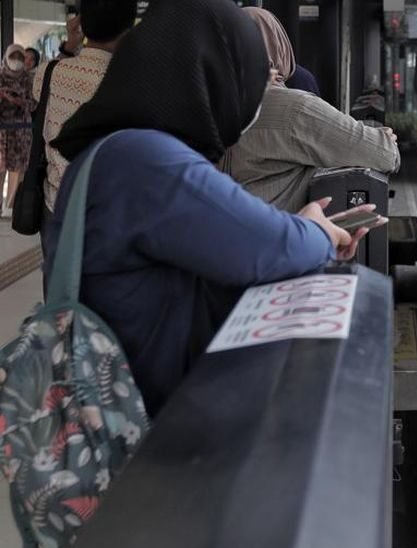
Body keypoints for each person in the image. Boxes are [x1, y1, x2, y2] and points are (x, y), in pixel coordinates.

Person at [44, 0, 381, 417]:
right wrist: (317, 233)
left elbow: (227, 248)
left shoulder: (109, 154)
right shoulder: (147, 160)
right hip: (139, 429)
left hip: (116, 403)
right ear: (208, 80)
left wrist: (304, 232)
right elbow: (272, 246)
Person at [220, 7, 400, 212]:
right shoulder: (295, 110)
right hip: (277, 238)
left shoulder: (208, 107)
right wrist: (381, 137)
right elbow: (384, 154)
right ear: (280, 46)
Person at [34, 0, 138, 226]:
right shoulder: (133, 81)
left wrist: (70, 45)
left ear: (82, 23)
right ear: (128, 29)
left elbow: (39, 94)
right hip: (109, 211)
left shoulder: (48, 73)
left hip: (56, 204)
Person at [0, 44, 35, 215]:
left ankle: (11, 210)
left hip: (21, 132)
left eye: (20, 58)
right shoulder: (0, 76)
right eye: (13, 58)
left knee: (16, 171)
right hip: (1, 132)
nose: (16, 62)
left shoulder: (29, 78)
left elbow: (34, 103)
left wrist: (18, 101)